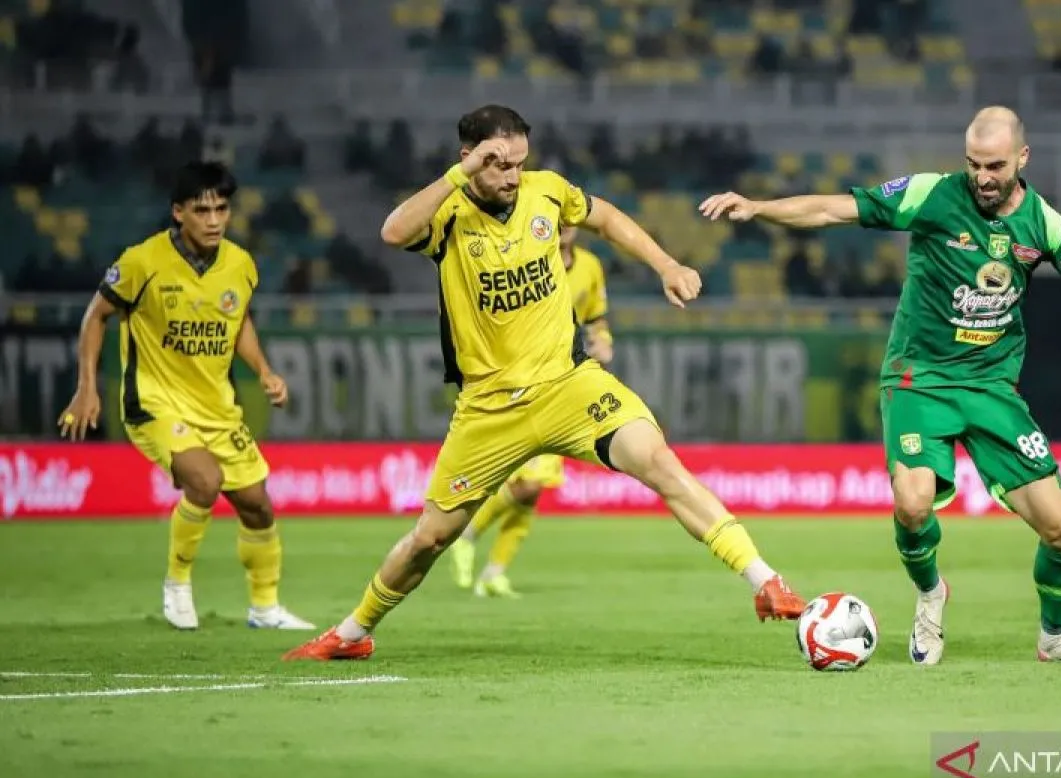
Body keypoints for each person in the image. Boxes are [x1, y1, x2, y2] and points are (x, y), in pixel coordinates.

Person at [283, 105, 805, 661]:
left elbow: (607, 217)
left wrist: (666, 265)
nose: (513, 176)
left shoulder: (547, 192)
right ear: (469, 158)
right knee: (430, 538)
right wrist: (459, 176)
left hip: (567, 386)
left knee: (657, 461)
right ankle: (352, 633)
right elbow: (392, 231)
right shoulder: (450, 211)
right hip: (489, 409)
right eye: (499, 164)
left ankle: (766, 581)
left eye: (520, 163)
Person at [699, 106, 1061, 665]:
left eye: (994, 166)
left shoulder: (1045, 224)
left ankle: (1054, 639)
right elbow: (832, 209)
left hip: (991, 387)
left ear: (1022, 158)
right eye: (973, 164)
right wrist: (758, 207)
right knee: (913, 505)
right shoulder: (931, 195)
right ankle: (931, 593)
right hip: (918, 379)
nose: (982, 177)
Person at [57, 161, 314, 633]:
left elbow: (238, 321)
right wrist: (86, 387)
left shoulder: (240, 264)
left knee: (257, 505)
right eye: (202, 210)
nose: (214, 220)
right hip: (154, 402)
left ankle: (264, 608)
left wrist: (264, 370)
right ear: (178, 212)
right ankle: (177, 584)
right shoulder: (142, 262)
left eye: (222, 209)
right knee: (204, 480)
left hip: (216, 407)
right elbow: (96, 316)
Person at [446, 224, 614, 598]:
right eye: (559, 218)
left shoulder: (590, 266)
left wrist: (603, 341)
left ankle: (493, 573)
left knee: (533, 489)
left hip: (564, 385)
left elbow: (596, 318)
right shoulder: (526, 261)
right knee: (527, 485)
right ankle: (467, 534)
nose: (565, 224)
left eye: (571, 218)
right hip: (517, 384)